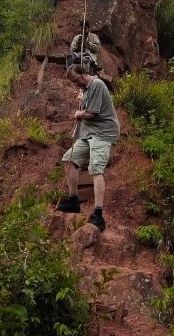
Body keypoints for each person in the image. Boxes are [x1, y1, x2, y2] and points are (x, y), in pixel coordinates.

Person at [56, 64, 119, 231]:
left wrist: (78, 114)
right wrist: (82, 100)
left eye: (77, 81)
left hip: (103, 133)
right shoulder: (86, 88)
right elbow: (87, 107)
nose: (77, 85)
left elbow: (92, 113)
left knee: (96, 169)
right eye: (74, 83)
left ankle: (98, 214)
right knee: (69, 160)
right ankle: (73, 201)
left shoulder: (97, 84)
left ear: (84, 74)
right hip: (88, 134)